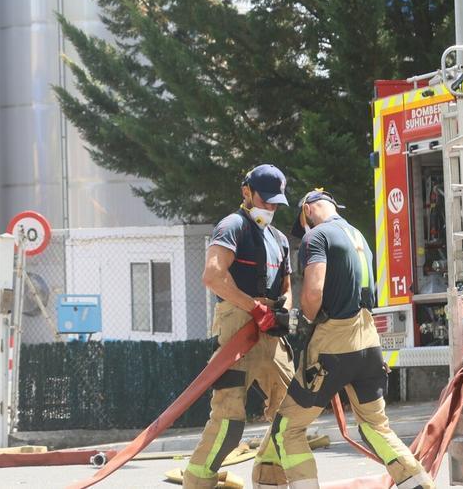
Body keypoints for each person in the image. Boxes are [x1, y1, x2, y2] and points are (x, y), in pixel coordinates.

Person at [251, 190, 434, 489]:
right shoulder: (358, 236)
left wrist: (302, 317)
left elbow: (313, 293)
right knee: (375, 427)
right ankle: (419, 484)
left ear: (308, 210)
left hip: (333, 349)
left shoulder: (317, 237)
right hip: (369, 345)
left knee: (287, 429)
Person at [183, 164, 295, 489]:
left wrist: (284, 309)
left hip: (271, 330)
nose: (270, 208)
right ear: (247, 192)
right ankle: (199, 482)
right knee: (229, 422)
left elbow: (287, 286)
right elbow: (213, 275)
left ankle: (270, 478)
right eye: (266, 200)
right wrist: (254, 307)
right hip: (238, 328)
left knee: (293, 412)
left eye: (276, 203)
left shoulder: (279, 239)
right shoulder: (232, 226)